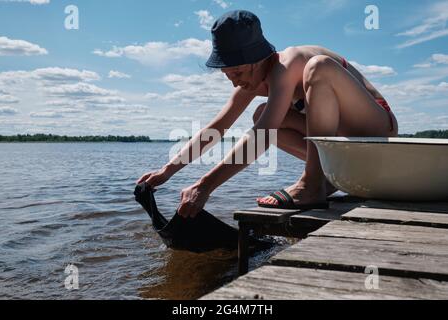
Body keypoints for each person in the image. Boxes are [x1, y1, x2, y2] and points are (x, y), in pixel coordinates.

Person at [137, 10, 399, 216]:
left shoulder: (287, 65)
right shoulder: (254, 79)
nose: (234, 82)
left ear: (258, 58)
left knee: (318, 67)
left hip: (376, 130)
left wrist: (204, 186)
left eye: (237, 73)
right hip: (348, 153)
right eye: (227, 76)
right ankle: (328, 179)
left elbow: (262, 136)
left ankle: (312, 185)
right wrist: (167, 171)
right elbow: (217, 128)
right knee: (260, 113)